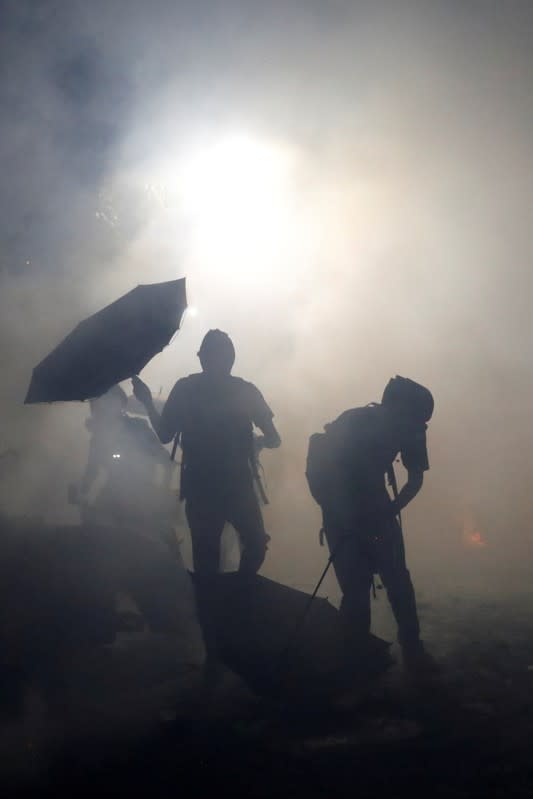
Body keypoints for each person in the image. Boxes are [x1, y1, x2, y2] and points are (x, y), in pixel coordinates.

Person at [132, 329, 281, 678]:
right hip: (228, 487)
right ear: (229, 358)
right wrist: (256, 443)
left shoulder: (190, 389)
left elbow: (165, 434)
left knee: (209, 570)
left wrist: (145, 401)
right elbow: (273, 437)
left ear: (205, 357)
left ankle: (216, 644)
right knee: (250, 547)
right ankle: (226, 623)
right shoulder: (242, 390)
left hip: (206, 488)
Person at [306, 375, 435, 674]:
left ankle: (412, 652)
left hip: (376, 510)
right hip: (341, 512)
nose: (418, 428)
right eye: (414, 419)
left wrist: (389, 510)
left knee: (398, 582)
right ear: (395, 409)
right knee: (356, 589)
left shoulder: (409, 426)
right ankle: (357, 658)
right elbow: (322, 474)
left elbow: (416, 478)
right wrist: (345, 514)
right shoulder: (353, 423)